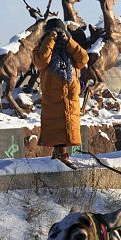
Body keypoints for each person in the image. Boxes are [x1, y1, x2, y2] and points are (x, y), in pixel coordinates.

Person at [32, 18, 89, 166]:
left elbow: (83, 59)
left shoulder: (69, 48)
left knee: (68, 129)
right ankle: (58, 155)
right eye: (53, 32)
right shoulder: (40, 48)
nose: (57, 34)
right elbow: (41, 61)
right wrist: (50, 39)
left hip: (70, 97)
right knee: (55, 130)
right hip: (53, 97)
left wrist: (68, 41)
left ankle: (62, 155)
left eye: (59, 31)